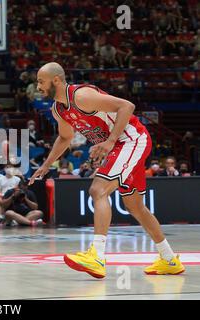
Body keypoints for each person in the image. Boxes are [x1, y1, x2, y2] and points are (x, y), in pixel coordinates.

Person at [30, 62, 184, 278]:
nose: (37, 86)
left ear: (56, 80)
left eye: (40, 81)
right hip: (120, 145)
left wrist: (110, 141)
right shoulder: (58, 109)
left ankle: (97, 256)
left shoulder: (81, 96)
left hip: (131, 139)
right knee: (135, 206)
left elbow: (127, 106)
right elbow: (65, 138)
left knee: (98, 190)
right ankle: (169, 259)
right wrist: (46, 166)